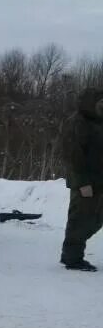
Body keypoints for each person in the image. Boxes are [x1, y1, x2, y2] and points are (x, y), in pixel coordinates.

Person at [58, 88, 103, 271]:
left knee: (96, 219)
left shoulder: (99, 124)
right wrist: (83, 182)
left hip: (100, 180)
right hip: (84, 182)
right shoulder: (78, 122)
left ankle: (73, 253)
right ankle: (72, 257)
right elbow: (72, 155)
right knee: (80, 219)